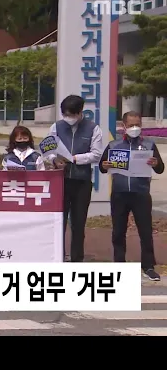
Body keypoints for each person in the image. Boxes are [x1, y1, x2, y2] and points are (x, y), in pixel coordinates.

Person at [99, 111, 164, 281]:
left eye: (138, 125)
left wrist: (156, 163)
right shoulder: (114, 145)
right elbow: (102, 167)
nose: (135, 128)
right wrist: (105, 165)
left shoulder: (149, 144)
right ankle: (119, 264)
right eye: (131, 125)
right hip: (119, 194)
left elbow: (160, 169)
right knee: (118, 231)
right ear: (124, 126)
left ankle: (148, 266)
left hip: (141, 193)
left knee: (145, 231)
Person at [47, 94, 104, 262]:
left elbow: (97, 154)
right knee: (59, 221)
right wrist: (54, 160)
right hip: (61, 181)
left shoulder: (93, 128)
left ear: (80, 112)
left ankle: (77, 259)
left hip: (82, 182)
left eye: (72, 115)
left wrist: (75, 159)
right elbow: (48, 150)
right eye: (65, 114)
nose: (68, 118)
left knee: (78, 224)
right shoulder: (56, 127)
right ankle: (58, 257)